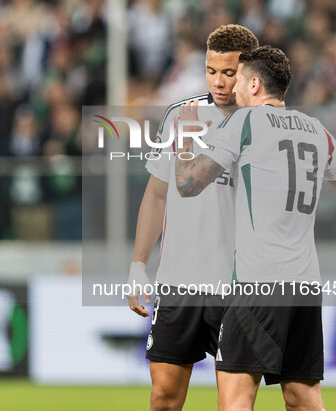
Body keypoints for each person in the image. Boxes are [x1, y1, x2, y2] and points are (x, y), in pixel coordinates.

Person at [174, 46, 336, 410]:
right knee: (303, 398)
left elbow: (188, 184)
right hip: (305, 286)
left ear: (256, 84)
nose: (233, 90)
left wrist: (184, 143)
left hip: (257, 284)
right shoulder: (315, 129)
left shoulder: (244, 122)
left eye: (240, 82)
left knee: (235, 399)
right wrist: (335, 170)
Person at [126, 24, 258, 410]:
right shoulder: (181, 116)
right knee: (163, 397)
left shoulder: (265, 126)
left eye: (229, 72)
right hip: (179, 281)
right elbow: (156, 193)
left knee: (234, 404)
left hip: (238, 286)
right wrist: (138, 264)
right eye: (211, 70)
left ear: (248, 72)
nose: (219, 81)